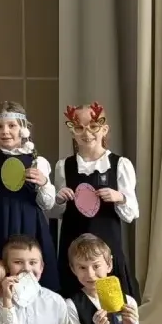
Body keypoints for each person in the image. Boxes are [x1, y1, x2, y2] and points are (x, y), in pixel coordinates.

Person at [50, 103, 140, 300]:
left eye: (93, 126)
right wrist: (59, 199)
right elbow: (56, 212)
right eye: (79, 127)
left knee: (111, 301)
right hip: (73, 241)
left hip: (106, 241)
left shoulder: (120, 165)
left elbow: (132, 213)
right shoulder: (64, 166)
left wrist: (120, 197)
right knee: (74, 298)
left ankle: (113, 320)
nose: (87, 133)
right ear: (73, 132)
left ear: (104, 129)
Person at [0, 101, 58, 292]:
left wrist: (43, 183)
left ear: (23, 128)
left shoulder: (37, 161)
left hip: (27, 225)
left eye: (12, 125)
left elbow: (48, 204)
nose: (5, 131)